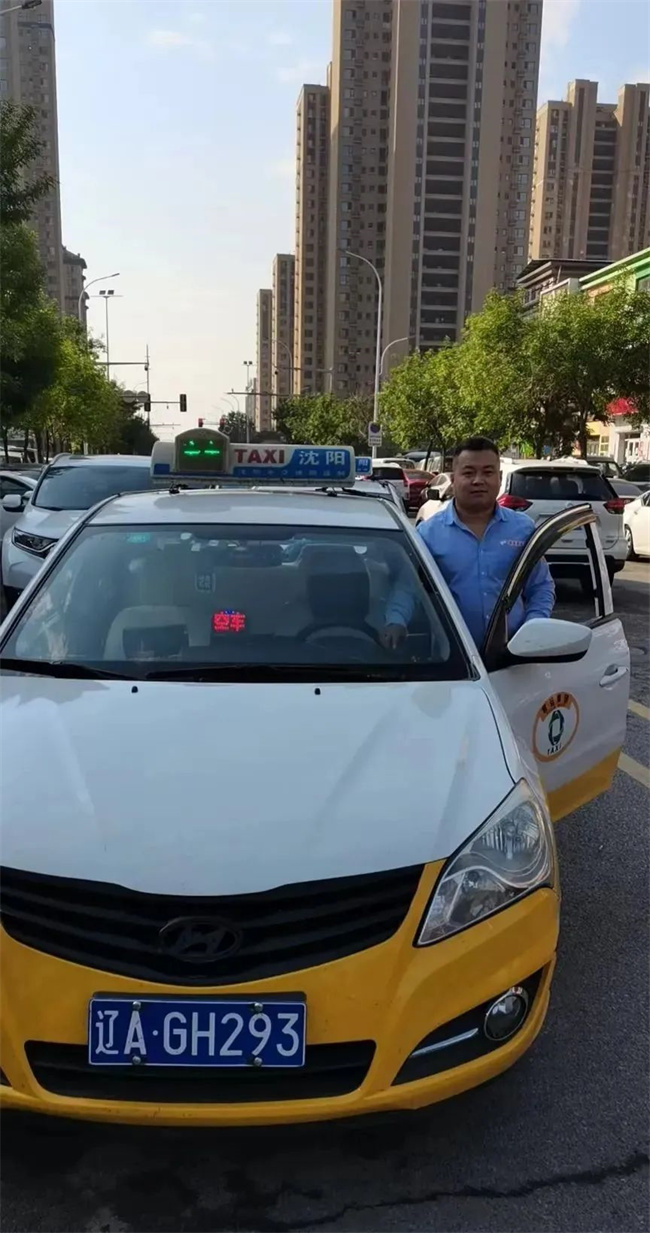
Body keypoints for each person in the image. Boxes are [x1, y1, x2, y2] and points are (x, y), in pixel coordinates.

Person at [383, 437, 554, 649]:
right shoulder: (428, 534)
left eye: (488, 472)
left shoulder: (523, 529)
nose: (478, 480)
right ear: (453, 479)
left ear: (499, 478)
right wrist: (396, 620)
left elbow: (541, 587)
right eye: (468, 473)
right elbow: (409, 587)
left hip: (515, 654)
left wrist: (534, 628)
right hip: (454, 656)